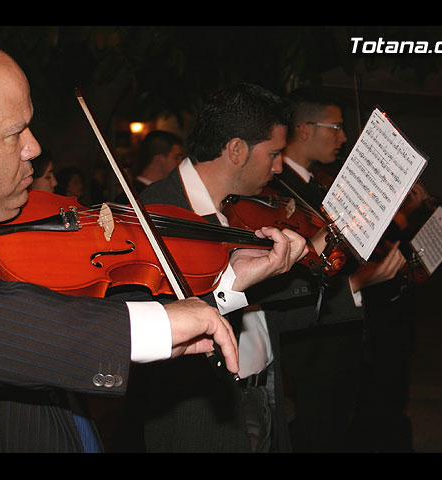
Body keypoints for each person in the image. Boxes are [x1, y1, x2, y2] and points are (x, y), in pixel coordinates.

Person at [0, 38, 247, 453]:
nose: (35, 147)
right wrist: (146, 328)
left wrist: (231, 276)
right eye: (14, 133)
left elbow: (76, 310)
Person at [115, 83, 309, 453]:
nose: (280, 166)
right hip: (197, 421)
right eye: (274, 153)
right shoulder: (154, 212)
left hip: (262, 394)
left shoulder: (243, 210)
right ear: (236, 150)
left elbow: (262, 312)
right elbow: (146, 323)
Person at [264, 87, 407, 452]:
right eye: (336, 127)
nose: (343, 138)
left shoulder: (316, 184)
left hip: (340, 333)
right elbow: (300, 273)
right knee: (317, 433)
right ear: (305, 129)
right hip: (312, 346)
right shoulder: (277, 190)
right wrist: (359, 280)